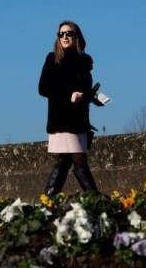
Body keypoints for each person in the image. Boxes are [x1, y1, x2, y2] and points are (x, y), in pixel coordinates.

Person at [38, 21, 101, 194]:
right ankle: (95, 198)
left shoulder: (84, 62)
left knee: (64, 161)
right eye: (61, 34)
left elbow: (83, 91)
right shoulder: (53, 59)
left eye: (69, 33)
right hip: (62, 119)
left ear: (77, 36)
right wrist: (69, 96)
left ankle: (48, 200)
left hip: (80, 120)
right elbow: (43, 88)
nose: (64, 37)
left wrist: (93, 97)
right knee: (79, 160)